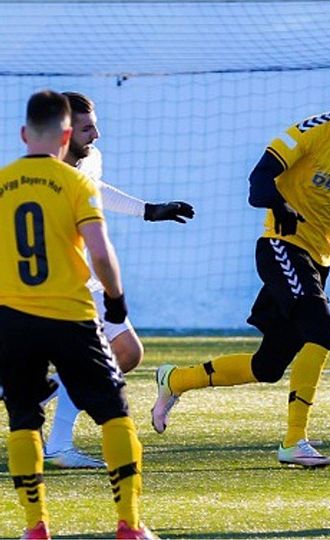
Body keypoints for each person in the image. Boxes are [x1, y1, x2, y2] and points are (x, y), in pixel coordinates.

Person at [151, 46, 330, 468]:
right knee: (323, 329)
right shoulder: (310, 132)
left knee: (269, 365)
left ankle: (175, 379)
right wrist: (279, 205)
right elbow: (258, 179)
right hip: (281, 245)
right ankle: (294, 441)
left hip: (319, 258)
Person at [0, 90, 153, 539]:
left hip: (14, 320)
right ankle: (129, 524)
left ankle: (35, 528)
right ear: (66, 135)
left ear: (25, 133)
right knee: (115, 412)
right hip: (71, 315)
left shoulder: (3, 183)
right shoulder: (77, 183)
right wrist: (117, 298)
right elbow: (101, 253)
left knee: (23, 418)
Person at [40, 91, 195, 470]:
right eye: (86, 128)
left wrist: (148, 210)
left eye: (95, 125)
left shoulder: (89, 160)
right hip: (56, 288)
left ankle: (32, 398)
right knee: (94, 362)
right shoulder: (44, 177)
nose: (95, 135)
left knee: (126, 354)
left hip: (85, 284)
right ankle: (56, 441)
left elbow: (95, 190)